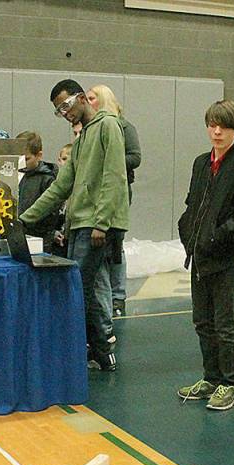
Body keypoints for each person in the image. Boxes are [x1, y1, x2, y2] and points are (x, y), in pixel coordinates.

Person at [19, 79, 129, 372]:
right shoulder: (81, 140)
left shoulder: (108, 126)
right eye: (59, 110)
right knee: (84, 288)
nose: (65, 113)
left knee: (77, 287)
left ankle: (89, 349)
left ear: (82, 98)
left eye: (66, 105)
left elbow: (114, 176)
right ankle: (100, 352)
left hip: (97, 225)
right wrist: (23, 219)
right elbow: (59, 188)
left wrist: (102, 224)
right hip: (80, 223)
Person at [176, 100, 234, 411]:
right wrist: (188, 232)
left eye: (224, 126)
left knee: (224, 323)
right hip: (199, 257)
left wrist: (217, 235)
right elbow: (193, 205)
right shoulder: (201, 163)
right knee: (202, 321)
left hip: (225, 259)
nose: (216, 131)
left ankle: (230, 383)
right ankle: (210, 377)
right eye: (212, 124)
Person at [87, 85, 142, 329]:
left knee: (115, 244)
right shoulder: (90, 128)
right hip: (94, 195)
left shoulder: (123, 126)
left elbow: (135, 157)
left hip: (117, 191)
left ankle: (118, 296)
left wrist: (112, 159)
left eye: (91, 98)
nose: (87, 102)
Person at [15, 131, 59, 253]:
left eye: (27, 159)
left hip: (41, 240)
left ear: (39, 156)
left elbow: (50, 212)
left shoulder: (47, 178)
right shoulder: (16, 175)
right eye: (18, 158)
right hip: (20, 236)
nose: (22, 163)